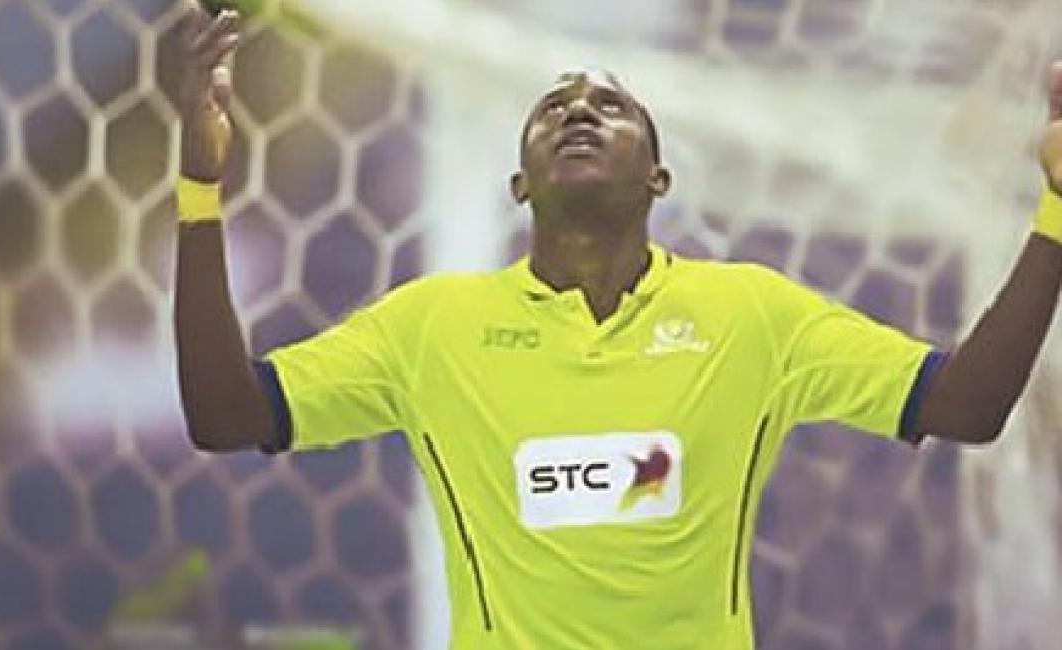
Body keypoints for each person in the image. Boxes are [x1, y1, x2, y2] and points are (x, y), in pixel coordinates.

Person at [171, 4, 1062, 648]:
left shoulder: (753, 314)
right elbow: (225, 415)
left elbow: (967, 406)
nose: (578, 112)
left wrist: (1056, 205)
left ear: (659, 179)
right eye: (552, 109)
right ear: (520, 185)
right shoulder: (430, 325)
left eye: (612, 107)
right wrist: (199, 190)